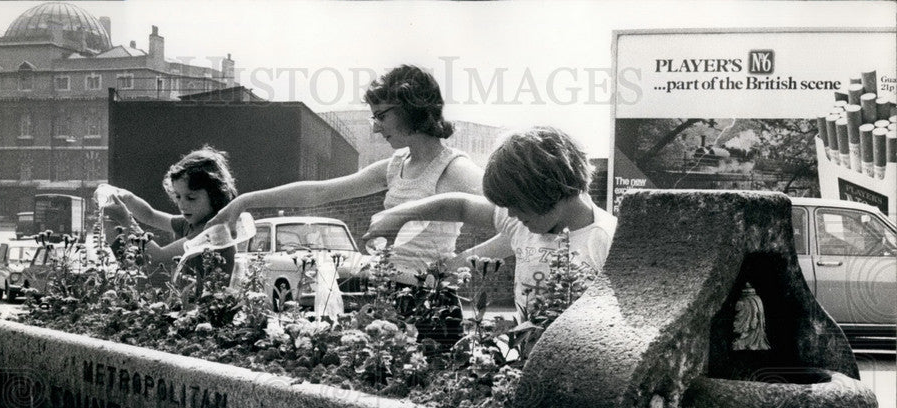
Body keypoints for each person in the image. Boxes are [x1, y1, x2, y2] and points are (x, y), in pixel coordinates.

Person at [206, 64, 484, 287]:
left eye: (381, 116)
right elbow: (320, 192)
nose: (376, 128)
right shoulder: (395, 165)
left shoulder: (453, 168)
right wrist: (244, 201)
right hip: (385, 294)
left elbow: (515, 218)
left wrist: (454, 266)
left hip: (431, 303)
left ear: (410, 108)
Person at [363, 126, 617, 320]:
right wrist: (398, 217)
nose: (512, 215)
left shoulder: (607, 240)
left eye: (517, 206)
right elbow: (460, 205)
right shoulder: (524, 222)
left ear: (546, 190)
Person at [102, 145, 238, 277]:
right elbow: (151, 216)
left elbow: (159, 257)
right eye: (178, 196)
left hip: (215, 298)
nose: (182, 204)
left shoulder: (213, 230)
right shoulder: (191, 222)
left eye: (191, 198)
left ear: (215, 195)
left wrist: (126, 221)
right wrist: (127, 197)